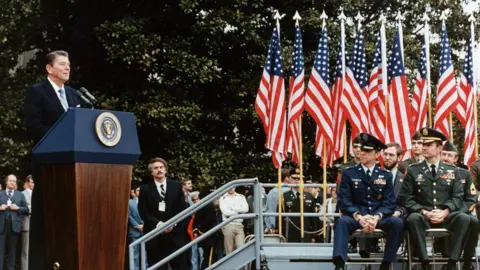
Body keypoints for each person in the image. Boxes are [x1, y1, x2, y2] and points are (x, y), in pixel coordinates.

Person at [23, 50, 82, 270]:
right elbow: (32, 124)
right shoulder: (37, 92)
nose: (68, 68)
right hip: (49, 165)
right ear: (49, 68)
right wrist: (59, 136)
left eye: (69, 64)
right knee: (46, 218)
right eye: (63, 64)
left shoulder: (75, 95)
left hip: (73, 166)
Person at [399, 128, 470, 270]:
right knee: (412, 219)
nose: (423, 147)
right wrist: (424, 212)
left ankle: (452, 261)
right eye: (423, 144)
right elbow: (406, 198)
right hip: (424, 216)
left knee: (464, 218)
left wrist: (445, 211)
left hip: (445, 215)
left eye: (428, 145)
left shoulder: (452, 170)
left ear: (439, 147)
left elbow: (458, 197)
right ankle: (425, 262)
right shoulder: (413, 170)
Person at [332, 133, 404, 270]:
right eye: (361, 149)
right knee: (341, 222)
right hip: (357, 216)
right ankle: (339, 263)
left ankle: (386, 263)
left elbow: (389, 203)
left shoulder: (386, 175)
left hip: (377, 217)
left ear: (377, 154)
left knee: (397, 223)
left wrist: (376, 218)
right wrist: (359, 217)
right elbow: (344, 200)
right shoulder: (349, 173)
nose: (362, 153)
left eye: (367, 151)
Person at [138, 158, 188, 270]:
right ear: (151, 172)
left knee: (180, 266)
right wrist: (160, 224)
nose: (159, 170)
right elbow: (143, 212)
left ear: (165, 170)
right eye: (155, 168)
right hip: (155, 236)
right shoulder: (145, 189)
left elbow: (183, 208)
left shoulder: (176, 186)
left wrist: (173, 223)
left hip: (175, 234)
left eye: (161, 167)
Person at [440, 140, 479, 270]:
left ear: (456, 158)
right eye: (443, 154)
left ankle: (467, 261)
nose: (445, 158)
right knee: (467, 219)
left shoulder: (464, 173)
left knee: (474, 221)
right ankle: (452, 261)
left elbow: (471, 198)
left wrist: (460, 211)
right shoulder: (435, 172)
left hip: (459, 212)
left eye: (449, 155)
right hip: (440, 214)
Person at [278, 173, 319, 243]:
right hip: (290, 233)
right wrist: (280, 233)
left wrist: (314, 235)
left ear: (302, 181)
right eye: (294, 178)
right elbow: (279, 217)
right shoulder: (284, 196)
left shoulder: (309, 196)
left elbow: (313, 217)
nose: (296, 181)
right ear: (290, 180)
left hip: (306, 232)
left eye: (299, 179)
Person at [0, 175, 28, 270]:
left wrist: (18, 208)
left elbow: (26, 209)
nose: (12, 182)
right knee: (0, 250)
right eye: (10, 180)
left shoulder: (20, 195)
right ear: (6, 182)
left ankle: (11, 268)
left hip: (14, 226)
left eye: (14, 181)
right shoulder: (0, 194)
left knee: (12, 250)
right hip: (1, 225)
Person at [128, 185, 145, 270]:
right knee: (135, 254)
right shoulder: (130, 202)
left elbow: (151, 215)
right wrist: (137, 226)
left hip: (146, 230)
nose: (139, 192)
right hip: (135, 231)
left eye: (141, 190)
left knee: (146, 253)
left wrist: (144, 225)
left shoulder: (148, 202)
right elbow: (129, 216)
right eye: (137, 190)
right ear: (134, 192)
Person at [21, 175, 34, 270]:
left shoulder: (36, 194)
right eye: (32, 182)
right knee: (25, 250)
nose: (33, 184)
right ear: (27, 182)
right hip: (26, 224)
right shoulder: (22, 194)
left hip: (36, 225)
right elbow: (22, 209)